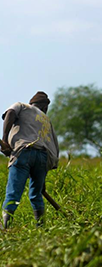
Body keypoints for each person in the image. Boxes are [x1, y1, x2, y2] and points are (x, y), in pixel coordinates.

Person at [1, 91, 59, 229]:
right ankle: (41, 228)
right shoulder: (47, 121)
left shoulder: (22, 106)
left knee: (14, 192)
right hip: (43, 158)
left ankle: (5, 227)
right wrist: (43, 174)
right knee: (36, 195)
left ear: (32, 103)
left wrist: (4, 140)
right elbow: (53, 147)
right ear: (45, 108)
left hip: (24, 152)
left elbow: (10, 113)